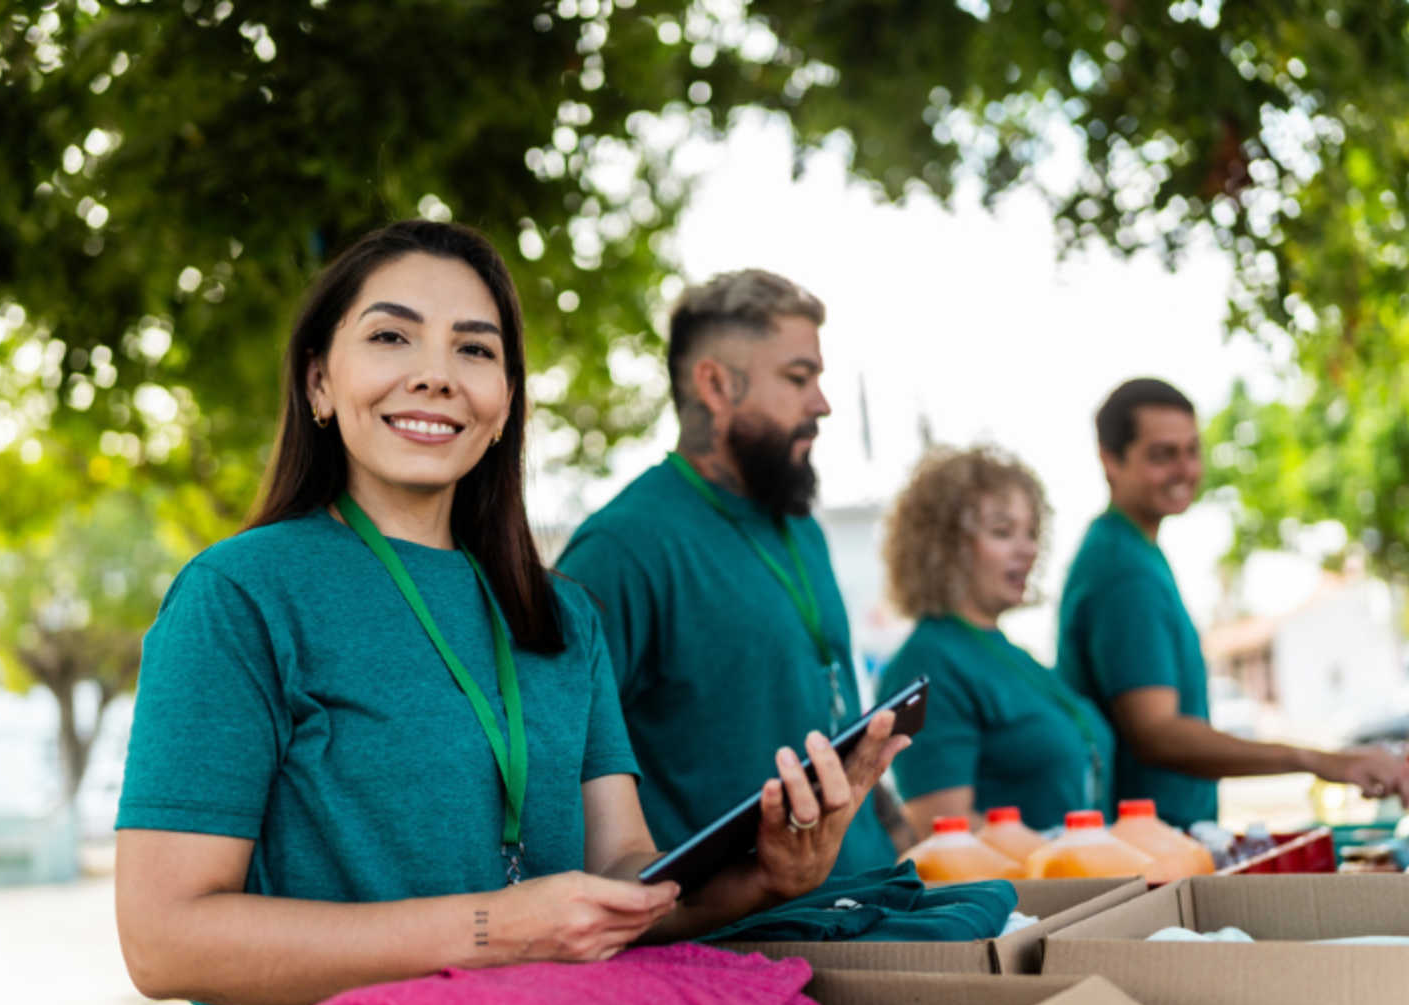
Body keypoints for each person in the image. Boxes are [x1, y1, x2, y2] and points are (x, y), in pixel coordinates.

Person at [113, 222, 909, 1005]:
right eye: (391, 336)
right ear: (318, 381)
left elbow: (619, 879)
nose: (435, 376)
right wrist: (495, 930)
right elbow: (164, 942)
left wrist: (765, 878)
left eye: (474, 350)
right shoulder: (237, 596)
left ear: (505, 403)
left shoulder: (566, 616)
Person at [555, 270, 900, 877]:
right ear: (714, 383)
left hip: (870, 898)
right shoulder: (621, 548)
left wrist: (899, 830)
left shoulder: (801, 528)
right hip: (741, 942)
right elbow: (561, 773)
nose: (821, 403)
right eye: (798, 378)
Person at [1057, 377, 1409, 829]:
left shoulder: (1133, 551)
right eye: (1163, 454)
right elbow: (1156, 734)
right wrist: (1319, 759)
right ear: (1110, 460)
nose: (1185, 469)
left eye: (1193, 450)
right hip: (1153, 847)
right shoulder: (1123, 569)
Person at [876, 446, 1115, 835]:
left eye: (1031, 532)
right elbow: (943, 827)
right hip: (1028, 893)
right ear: (942, 546)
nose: (1027, 550)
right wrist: (1059, 859)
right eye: (1002, 532)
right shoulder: (928, 660)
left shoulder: (1014, 656)